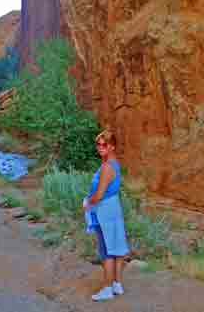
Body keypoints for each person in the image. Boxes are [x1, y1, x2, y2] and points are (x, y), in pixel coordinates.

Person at [83, 129, 129, 301]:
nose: (100, 147)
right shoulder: (114, 164)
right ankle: (117, 284)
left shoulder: (107, 167)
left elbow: (100, 194)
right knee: (116, 246)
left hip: (105, 210)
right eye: (98, 144)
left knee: (106, 250)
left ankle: (107, 289)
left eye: (104, 144)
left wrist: (88, 203)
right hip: (113, 208)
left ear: (112, 147)